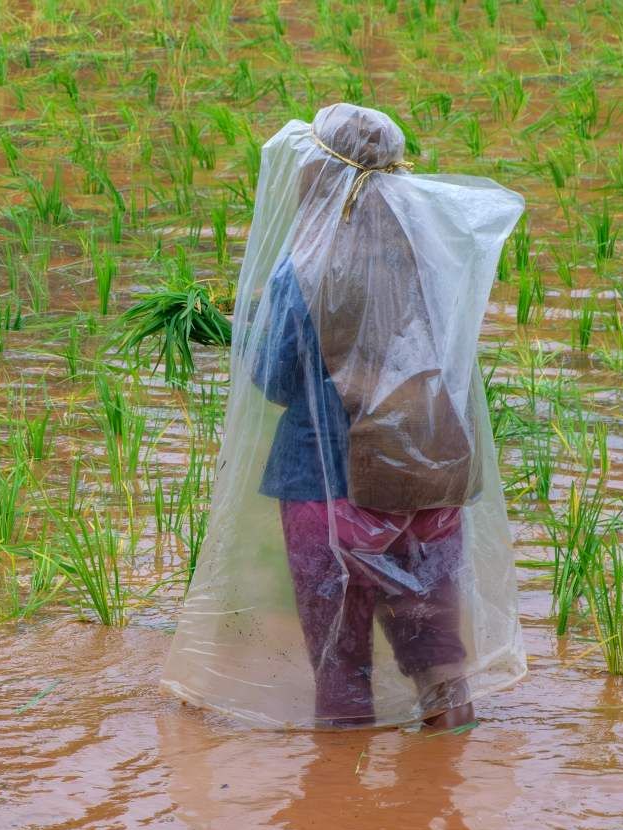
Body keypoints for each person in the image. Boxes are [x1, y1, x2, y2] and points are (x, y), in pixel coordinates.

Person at [162, 104, 527, 729]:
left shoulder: (301, 265)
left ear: (318, 174)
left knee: (342, 664)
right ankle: (442, 796)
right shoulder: (432, 255)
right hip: (427, 487)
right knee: (438, 661)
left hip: (329, 493)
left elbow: (277, 381)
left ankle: (340, 817)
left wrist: (243, 331)